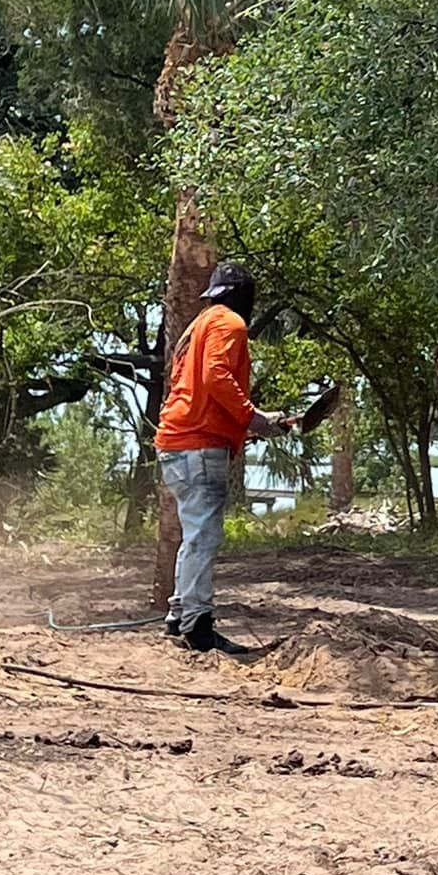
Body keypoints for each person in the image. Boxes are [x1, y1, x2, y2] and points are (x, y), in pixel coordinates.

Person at [156, 261, 288, 652]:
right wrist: (252, 417)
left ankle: (179, 614)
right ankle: (197, 626)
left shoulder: (197, 327)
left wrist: (258, 421)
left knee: (193, 536)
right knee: (203, 537)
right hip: (199, 446)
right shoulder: (230, 324)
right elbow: (216, 377)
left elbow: (201, 386)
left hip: (175, 444)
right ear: (243, 297)